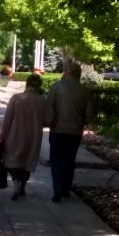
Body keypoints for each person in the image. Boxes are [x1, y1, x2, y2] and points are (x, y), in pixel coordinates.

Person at [45, 60, 92, 202]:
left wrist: (51, 123)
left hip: (57, 130)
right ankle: (66, 188)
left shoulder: (55, 87)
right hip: (75, 132)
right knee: (69, 160)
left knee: (56, 160)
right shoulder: (85, 91)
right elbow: (89, 114)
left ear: (66, 72)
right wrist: (81, 122)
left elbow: (49, 108)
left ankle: (57, 189)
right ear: (78, 73)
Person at [0, 73, 48, 200]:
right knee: (28, 161)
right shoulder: (43, 101)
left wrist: (2, 136)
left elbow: (7, 119)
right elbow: (49, 120)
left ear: (27, 83)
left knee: (11, 160)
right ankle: (23, 187)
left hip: (15, 134)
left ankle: (16, 184)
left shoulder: (16, 98)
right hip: (34, 136)